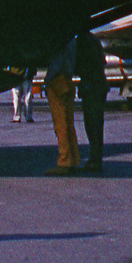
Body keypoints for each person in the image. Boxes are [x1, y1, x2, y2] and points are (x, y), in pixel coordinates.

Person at [43, 38, 79, 176]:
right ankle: (73, 159)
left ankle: (64, 160)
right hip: (68, 80)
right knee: (68, 123)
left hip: (57, 81)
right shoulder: (72, 41)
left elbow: (56, 64)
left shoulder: (61, 41)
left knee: (60, 124)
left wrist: (47, 81)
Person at [75, 30, 108, 173]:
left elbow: (81, 64)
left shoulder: (83, 41)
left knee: (92, 124)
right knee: (97, 124)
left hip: (91, 86)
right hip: (99, 85)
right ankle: (96, 158)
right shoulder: (94, 39)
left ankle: (95, 160)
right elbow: (103, 60)